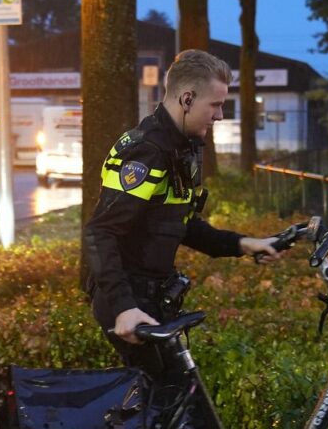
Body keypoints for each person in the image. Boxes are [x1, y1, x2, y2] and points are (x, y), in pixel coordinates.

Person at [83, 49, 283, 379]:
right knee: (169, 400)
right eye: (215, 105)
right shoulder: (146, 151)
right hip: (131, 303)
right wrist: (124, 308)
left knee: (172, 403)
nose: (219, 115)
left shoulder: (181, 148)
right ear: (187, 98)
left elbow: (181, 225)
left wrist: (244, 244)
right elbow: (99, 231)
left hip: (152, 299)